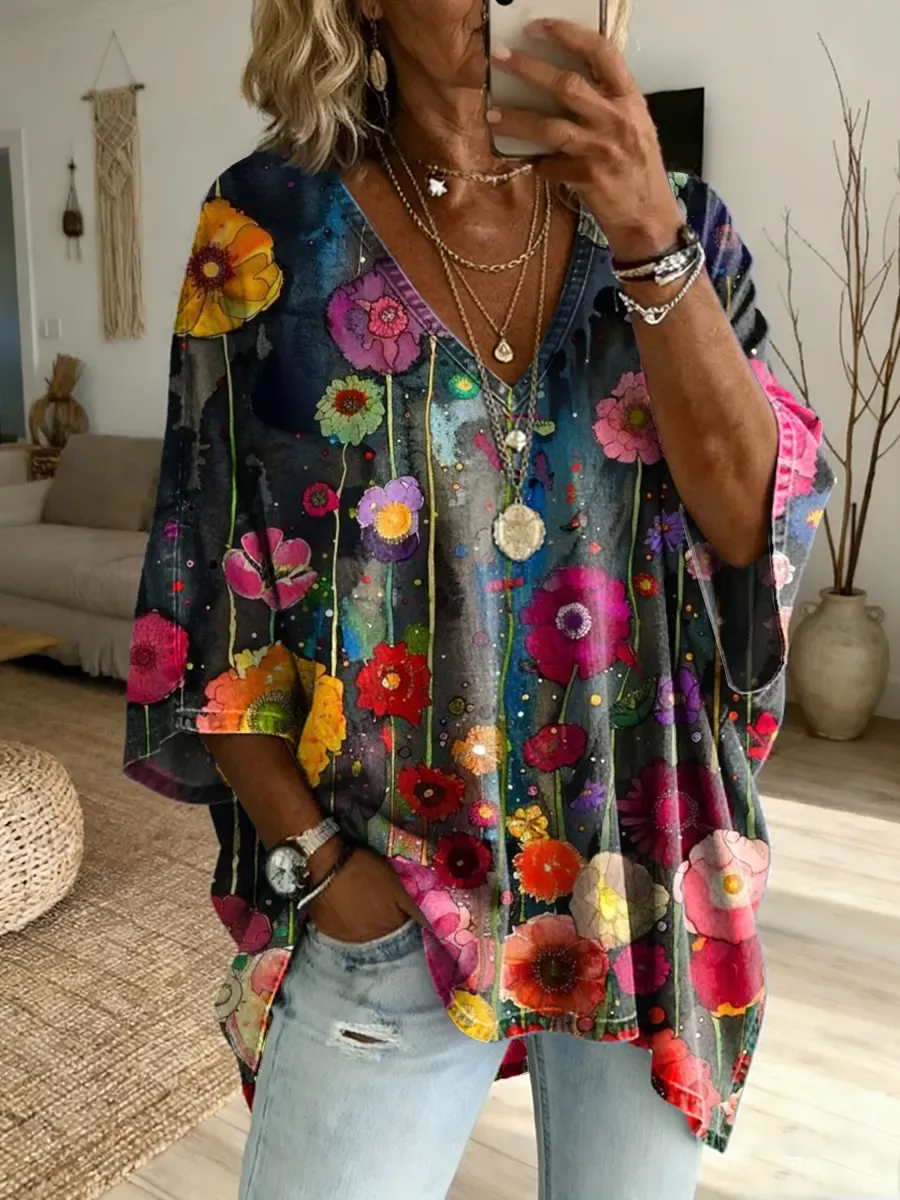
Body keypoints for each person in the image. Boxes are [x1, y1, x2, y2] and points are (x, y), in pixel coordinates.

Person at [124, 1, 833, 1196]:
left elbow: (750, 523)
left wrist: (647, 233)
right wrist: (320, 868)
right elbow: (209, 588)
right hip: (385, 877)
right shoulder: (268, 228)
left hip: (639, 870)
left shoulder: (678, 221)